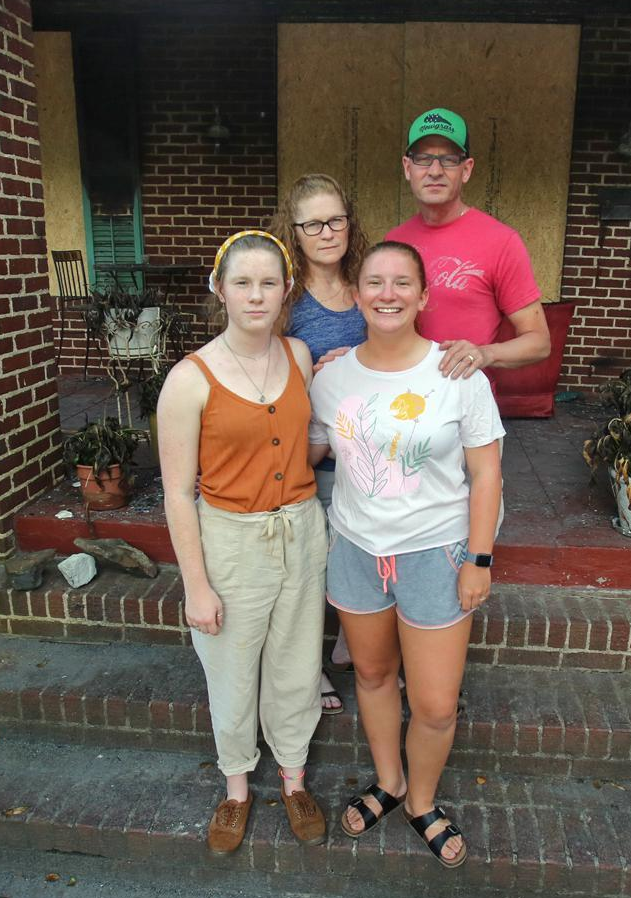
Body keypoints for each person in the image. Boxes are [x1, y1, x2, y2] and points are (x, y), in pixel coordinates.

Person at [308, 240, 504, 868]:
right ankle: (389, 780)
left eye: (401, 283)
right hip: (359, 550)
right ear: (357, 294)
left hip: (435, 555)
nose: (386, 293)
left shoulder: (456, 374)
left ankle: (421, 799)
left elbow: (488, 473)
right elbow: (312, 452)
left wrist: (479, 558)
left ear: (423, 297)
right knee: (370, 676)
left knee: (436, 703)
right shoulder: (332, 377)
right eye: (374, 282)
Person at [156, 230, 329, 856]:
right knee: (230, 669)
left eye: (268, 282)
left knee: (296, 662)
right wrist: (196, 587)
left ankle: (293, 777)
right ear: (220, 290)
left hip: (304, 531)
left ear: (287, 290)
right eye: (242, 282)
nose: (256, 295)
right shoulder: (189, 378)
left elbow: (308, 440)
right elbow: (178, 493)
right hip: (231, 539)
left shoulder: (302, 356)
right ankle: (236, 788)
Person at [269, 173, 370, 716]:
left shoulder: (367, 282)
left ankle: (352, 645)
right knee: (310, 571)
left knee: (362, 560)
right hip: (313, 456)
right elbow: (263, 373)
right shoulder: (286, 295)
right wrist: (312, 373)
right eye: (313, 224)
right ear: (295, 231)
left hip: (371, 457)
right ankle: (311, 675)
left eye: (336, 220)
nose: (327, 232)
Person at [387, 107, 551, 381]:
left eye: (449, 159)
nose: (435, 171)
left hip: (465, 407)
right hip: (402, 402)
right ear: (408, 168)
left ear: (466, 170)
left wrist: (485, 354)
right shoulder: (394, 241)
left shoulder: (501, 242)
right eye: (423, 159)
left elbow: (539, 342)